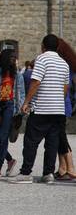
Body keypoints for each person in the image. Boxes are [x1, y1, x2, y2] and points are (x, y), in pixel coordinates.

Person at [10, 35, 70, 184]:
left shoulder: (41, 59)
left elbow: (36, 82)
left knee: (31, 141)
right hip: (58, 109)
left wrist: (26, 102)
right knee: (52, 142)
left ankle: (25, 173)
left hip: (42, 108)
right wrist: (57, 101)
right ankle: (48, 173)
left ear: (43, 46)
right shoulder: (64, 63)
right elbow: (65, 87)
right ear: (57, 47)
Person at [0, 49, 25, 178]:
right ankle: (10, 160)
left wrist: (19, 114)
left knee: (3, 139)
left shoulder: (17, 75)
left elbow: (21, 95)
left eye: (15, 57)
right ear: (4, 58)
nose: (14, 59)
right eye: (11, 57)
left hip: (10, 107)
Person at [54, 38, 76, 180]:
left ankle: (70, 167)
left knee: (60, 136)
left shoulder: (63, 66)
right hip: (62, 104)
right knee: (58, 136)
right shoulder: (68, 65)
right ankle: (62, 168)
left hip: (60, 104)